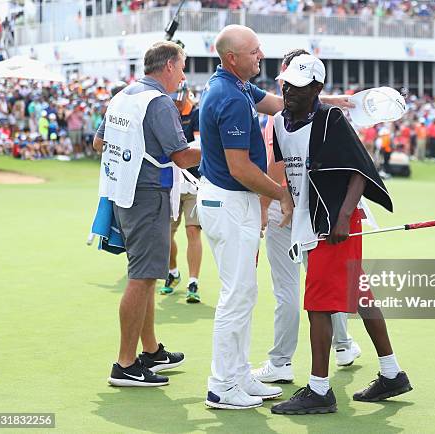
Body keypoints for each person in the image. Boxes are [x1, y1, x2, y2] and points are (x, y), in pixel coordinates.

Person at [197, 25, 353, 410]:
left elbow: (278, 102)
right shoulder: (230, 97)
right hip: (231, 202)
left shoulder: (235, 85)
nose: (260, 56)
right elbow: (240, 167)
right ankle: (222, 385)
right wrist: (282, 193)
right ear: (232, 58)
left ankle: (237, 376)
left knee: (245, 293)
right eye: (254, 51)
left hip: (236, 203)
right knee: (236, 296)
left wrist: (331, 99)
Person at [269, 53, 412, 416]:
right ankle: (392, 373)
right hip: (310, 220)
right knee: (359, 294)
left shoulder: (330, 118)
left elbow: (360, 169)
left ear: (317, 89)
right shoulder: (279, 121)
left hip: (334, 225)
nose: (290, 92)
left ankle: (319, 390)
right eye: (287, 85)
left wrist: (344, 217)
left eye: (300, 88)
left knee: (318, 303)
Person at [93, 41, 201, 387]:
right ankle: (125, 364)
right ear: (168, 66)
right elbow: (182, 156)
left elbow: (99, 143)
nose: (183, 75)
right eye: (182, 67)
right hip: (147, 196)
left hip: (124, 193)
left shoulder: (123, 95)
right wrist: (216, 146)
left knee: (147, 275)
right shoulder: (158, 103)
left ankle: (151, 350)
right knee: (141, 278)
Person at [252, 49, 361, 386]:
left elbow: (276, 166)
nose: (284, 88)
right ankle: (343, 346)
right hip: (311, 207)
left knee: (294, 288)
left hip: (293, 206)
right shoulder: (319, 111)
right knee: (326, 283)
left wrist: (263, 208)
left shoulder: (289, 116)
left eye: (288, 80)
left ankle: (282, 362)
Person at [159, 81, 203, 303]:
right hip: (173, 182)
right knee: (166, 234)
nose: (175, 101)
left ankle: (193, 281)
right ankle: (173, 272)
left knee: (193, 231)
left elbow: (198, 147)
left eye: (178, 97)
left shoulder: (196, 114)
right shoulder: (166, 113)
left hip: (194, 181)